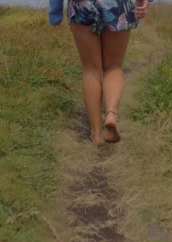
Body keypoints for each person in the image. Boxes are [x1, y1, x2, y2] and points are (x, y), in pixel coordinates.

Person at [49, 0, 149, 145]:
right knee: (114, 66)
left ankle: (97, 133)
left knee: (91, 69)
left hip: (82, 6)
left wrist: (56, 12)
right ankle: (111, 115)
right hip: (117, 5)